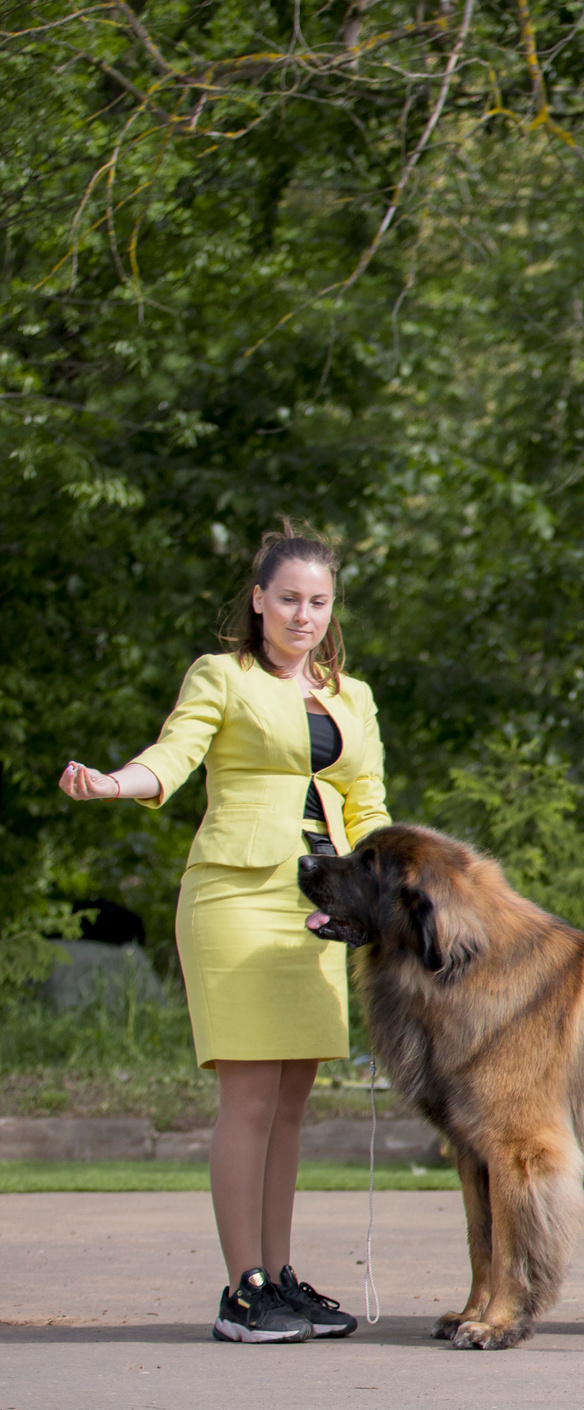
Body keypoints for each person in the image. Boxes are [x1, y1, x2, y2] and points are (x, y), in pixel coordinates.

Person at [58, 526, 389, 1345]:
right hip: (237, 898)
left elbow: (368, 803)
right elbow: (172, 757)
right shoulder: (223, 675)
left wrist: (391, 885)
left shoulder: (353, 695)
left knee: (292, 1105)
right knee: (249, 1099)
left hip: (320, 908)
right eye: (289, 599)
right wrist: (114, 783)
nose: (303, 614)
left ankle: (280, 1278)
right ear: (258, 600)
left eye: (318, 601)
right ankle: (242, 1289)